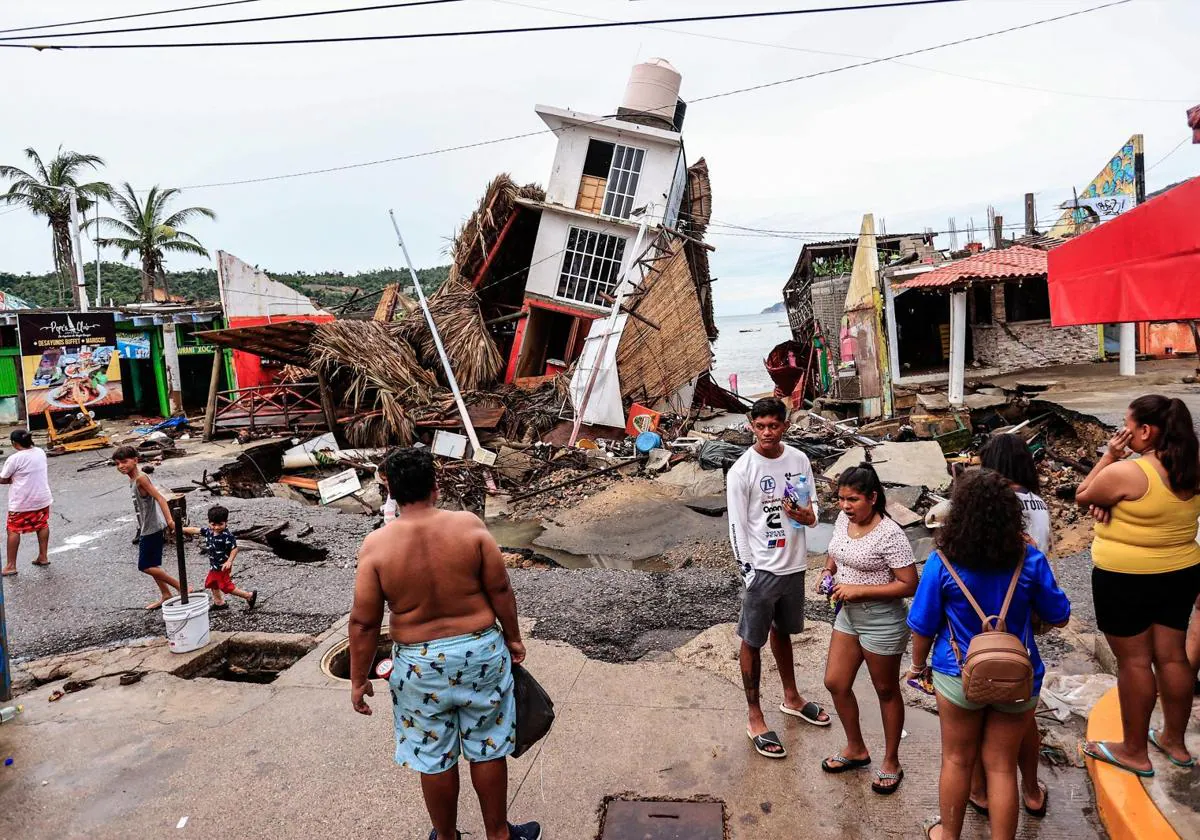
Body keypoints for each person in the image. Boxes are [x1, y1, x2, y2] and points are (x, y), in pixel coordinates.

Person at [348, 447, 540, 840]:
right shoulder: (469, 527)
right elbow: (500, 588)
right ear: (436, 487)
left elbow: (364, 623)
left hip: (419, 663)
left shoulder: (376, 546)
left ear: (392, 492)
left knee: (432, 755)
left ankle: (447, 837)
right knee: (487, 746)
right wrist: (514, 637)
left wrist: (358, 679)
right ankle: (498, 834)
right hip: (480, 652)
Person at [908, 469, 1070, 840]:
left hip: (957, 674)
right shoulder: (1028, 559)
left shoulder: (942, 562)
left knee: (956, 759)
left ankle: (948, 835)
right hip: (1019, 675)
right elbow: (1059, 616)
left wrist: (918, 667)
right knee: (1000, 767)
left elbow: (922, 625)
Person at [1076, 395, 1200, 775]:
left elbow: (1084, 495)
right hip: (1181, 572)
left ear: (1145, 431)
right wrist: (1110, 502)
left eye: (1126, 427)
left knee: (1133, 663)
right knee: (1173, 657)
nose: (1122, 435)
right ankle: (1174, 743)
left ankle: (1133, 750)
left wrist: (1109, 458)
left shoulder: (1127, 472)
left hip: (1126, 579)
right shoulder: (1191, 467)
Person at [726, 396, 829, 760]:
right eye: (761, 426)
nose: (767, 432)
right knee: (751, 640)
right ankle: (754, 717)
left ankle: (792, 698)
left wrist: (806, 517)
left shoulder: (798, 459)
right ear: (751, 426)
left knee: (783, 632)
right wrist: (749, 571)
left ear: (785, 425)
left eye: (774, 425)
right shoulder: (741, 471)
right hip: (762, 570)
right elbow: (737, 525)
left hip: (794, 565)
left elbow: (813, 509)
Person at [968, 433, 1054, 817]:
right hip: (1026, 608)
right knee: (1021, 705)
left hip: (989, 608)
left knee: (979, 699)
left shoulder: (998, 500)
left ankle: (980, 788)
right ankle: (1032, 789)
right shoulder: (1038, 501)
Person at [819, 463, 917, 794]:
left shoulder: (890, 534)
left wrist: (860, 590)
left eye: (853, 499)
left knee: (885, 690)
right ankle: (856, 748)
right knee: (835, 681)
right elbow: (835, 552)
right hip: (848, 615)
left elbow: (909, 585)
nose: (846, 506)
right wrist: (826, 571)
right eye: (842, 499)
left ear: (873, 498)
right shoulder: (843, 521)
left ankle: (891, 761)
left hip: (882, 620)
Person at [113, 445, 187, 610]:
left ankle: (180, 586)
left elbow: (160, 498)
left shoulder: (141, 478)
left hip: (152, 528)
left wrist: (170, 521)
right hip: (147, 526)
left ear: (135, 460)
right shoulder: (133, 479)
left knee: (145, 566)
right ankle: (166, 594)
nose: (121, 466)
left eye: (124, 462)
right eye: (117, 464)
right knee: (152, 564)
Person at [182, 505, 257, 611]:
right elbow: (195, 529)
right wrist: (180, 528)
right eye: (213, 524)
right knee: (212, 583)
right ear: (209, 522)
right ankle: (219, 602)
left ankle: (249, 596)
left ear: (226, 522)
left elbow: (234, 549)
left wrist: (229, 561)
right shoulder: (209, 531)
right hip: (214, 566)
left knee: (226, 586)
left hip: (222, 567)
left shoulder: (227, 536)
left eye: (220, 524)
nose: (216, 527)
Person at [1, 429, 52, 576]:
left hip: (22, 501)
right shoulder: (40, 452)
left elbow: (4, 478)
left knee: (13, 529)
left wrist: (11, 479)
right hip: (42, 498)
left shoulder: (14, 459)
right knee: (42, 525)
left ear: (14, 444)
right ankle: (43, 556)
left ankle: (11, 565)